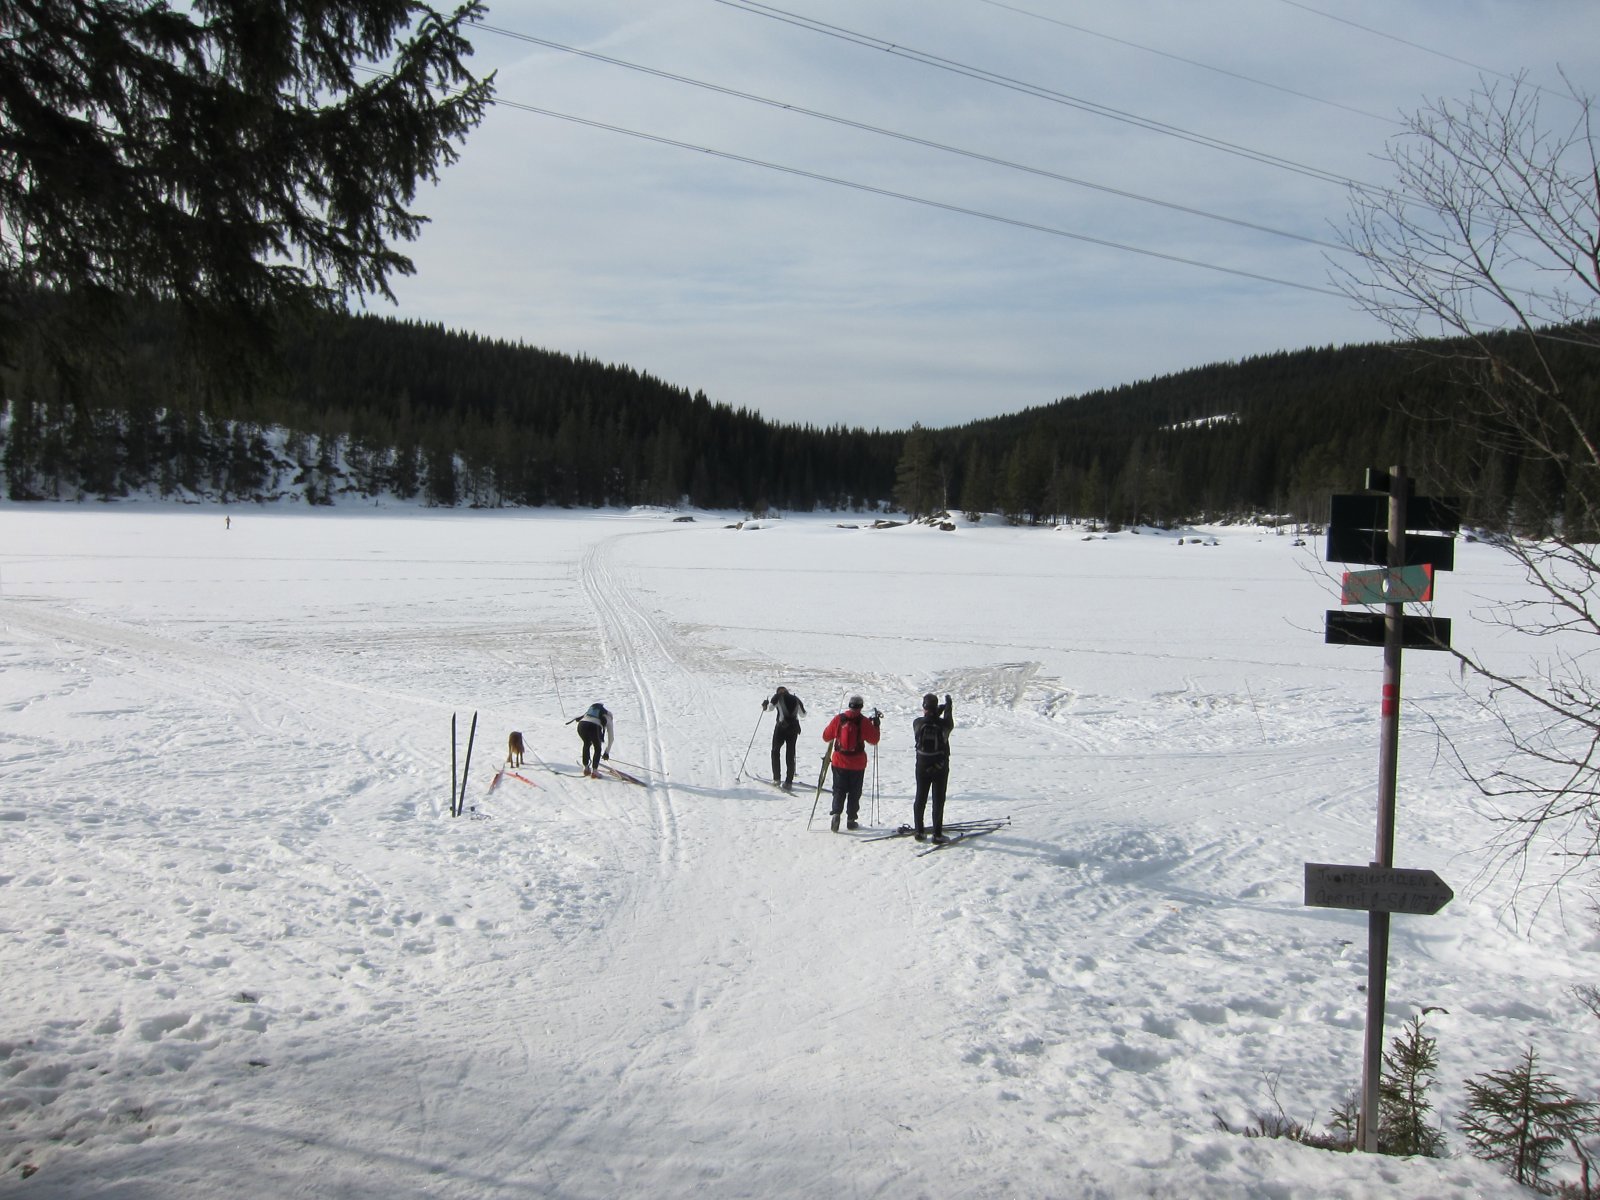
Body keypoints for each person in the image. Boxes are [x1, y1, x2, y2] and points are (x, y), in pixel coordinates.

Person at [821, 695, 880, 832]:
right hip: (857, 763)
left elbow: (826, 737)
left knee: (839, 789)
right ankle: (851, 819)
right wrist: (876, 726)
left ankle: (836, 813)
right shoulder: (864, 721)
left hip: (839, 761)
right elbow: (874, 740)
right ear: (861, 707)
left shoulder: (839, 719)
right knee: (855, 792)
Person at [912, 693, 954, 843]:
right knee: (938, 799)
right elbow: (948, 722)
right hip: (939, 766)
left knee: (920, 797)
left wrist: (936, 711)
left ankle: (919, 831)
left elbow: (927, 719)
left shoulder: (917, 723)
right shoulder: (944, 725)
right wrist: (948, 707)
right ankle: (937, 834)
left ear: (924, 707)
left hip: (922, 765)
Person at [763, 685, 807, 790]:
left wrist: (765, 705)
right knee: (790, 753)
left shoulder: (777, 697)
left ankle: (777, 779)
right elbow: (803, 715)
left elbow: (769, 709)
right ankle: (788, 782)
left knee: (775, 751)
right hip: (794, 729)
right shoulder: (796, 699)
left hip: (781, 728)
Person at [576, 701, 614, 777]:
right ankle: (595, 771)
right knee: (598, 748)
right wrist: (606, 752)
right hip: (594, 727)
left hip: (581, 725)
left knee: (586, 744)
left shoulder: (590, 712)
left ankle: (586, 768)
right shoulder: (609, 717)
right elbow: (611, 738)